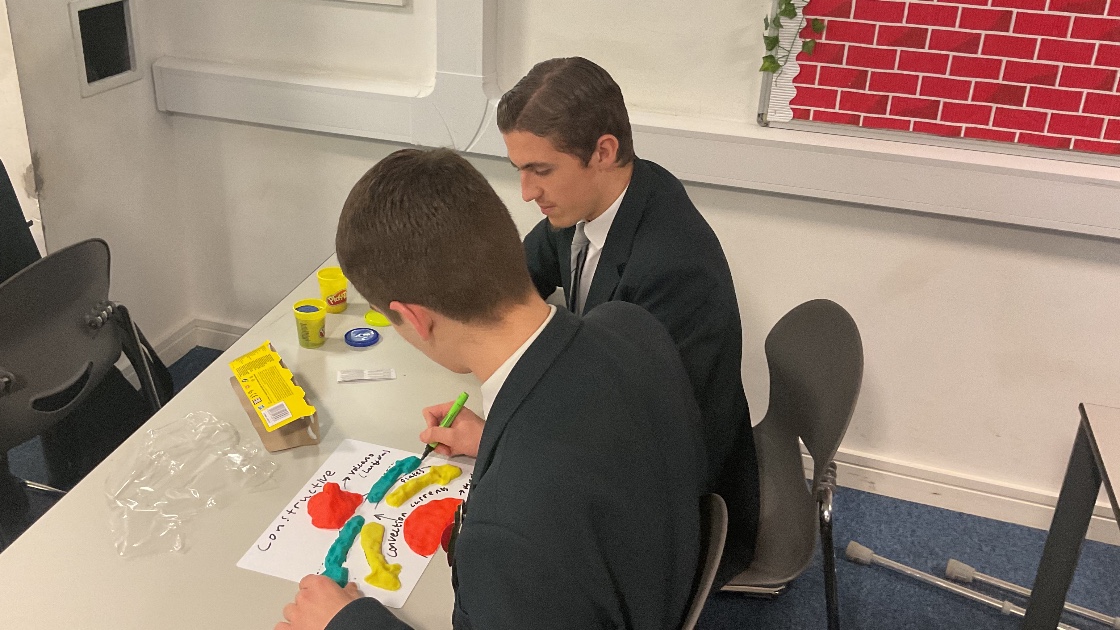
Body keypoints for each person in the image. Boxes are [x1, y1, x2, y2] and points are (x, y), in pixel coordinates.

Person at [275, 148, 707, 630]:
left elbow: (539, 518)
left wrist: (347, 625)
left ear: (416, 319)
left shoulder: (504, 537)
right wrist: (500, 440)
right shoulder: (629, 325)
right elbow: (610, 450)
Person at [497, 56, 759, 584]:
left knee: (512, 547)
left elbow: (653, 445)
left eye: (540, 171)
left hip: (676, 493)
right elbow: (518, 276)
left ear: (604, 151)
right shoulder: (600, 197)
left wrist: (502, 435)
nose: (527, 192)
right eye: (519, 171)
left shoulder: (671, 270)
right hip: (623, 427)